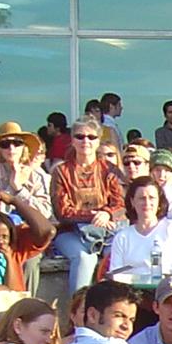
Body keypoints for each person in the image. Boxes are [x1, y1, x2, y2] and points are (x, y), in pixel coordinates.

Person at [49, 116, 125, 294]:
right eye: (80, 136)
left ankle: (112, 307)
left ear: (98, 140)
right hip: (70, 231)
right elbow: (62, 211)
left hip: (107, 230)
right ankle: (77, 312)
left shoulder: (109, 169)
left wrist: (107, 213)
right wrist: (94, 216)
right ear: (72, 140)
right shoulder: (61, 171)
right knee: (85, 259)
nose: (86, 141)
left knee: (115, 256)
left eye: (91, 137)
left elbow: (120, 203)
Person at [106, 177, 172, 280]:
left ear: (159, 201)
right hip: (134, 291)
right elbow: (116, 274)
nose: (147, 203)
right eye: (142, 198)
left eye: (151, 198)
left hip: (168, 287)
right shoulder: (122, 237)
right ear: (132, 202)